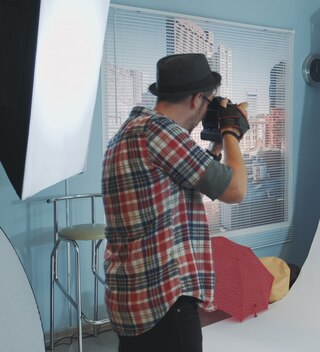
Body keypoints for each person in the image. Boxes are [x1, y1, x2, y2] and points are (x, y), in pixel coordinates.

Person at [102, 53, 249, 352]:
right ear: (196, 99)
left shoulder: (129, 131)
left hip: (132, 300)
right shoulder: (161, 132)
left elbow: (178, 183)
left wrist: (216, 146)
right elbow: (235, 190)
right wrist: (231, 130)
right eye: (209, 102)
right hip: (165, 301)